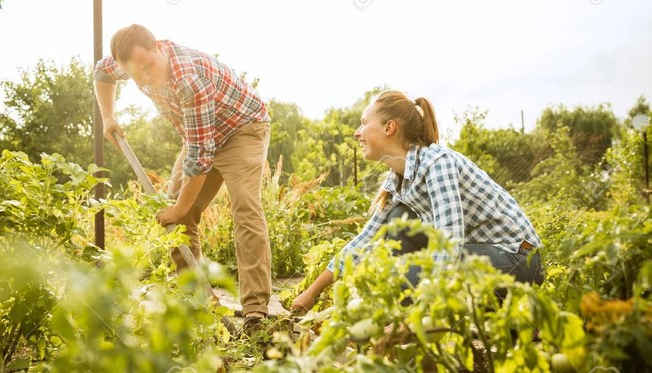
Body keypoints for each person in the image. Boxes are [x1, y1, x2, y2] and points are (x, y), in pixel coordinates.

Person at [291, 90, 544, 313]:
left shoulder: (436, 164)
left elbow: (449, 246)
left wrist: (416, 317)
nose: (357, 133)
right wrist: (312, 292)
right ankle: (452, 312)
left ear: (389, 128)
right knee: (397, 222)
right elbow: (365, 240)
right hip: (478, 256)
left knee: (402, 277)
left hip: (517, 261)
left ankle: (499, 312)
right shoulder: (396, 181)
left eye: (364, 123)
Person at [94, 24, 272, 332]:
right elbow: (102, 72)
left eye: (149, 67)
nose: (146, 78)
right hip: (198, 135)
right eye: (137, 74)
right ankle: (201, 302)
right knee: (176, 215)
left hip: (243, 127)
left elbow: (201, 158)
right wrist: (108, 116)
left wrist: (179, 206)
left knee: (244, 207)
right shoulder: (131, 62)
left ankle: (255, 312)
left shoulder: (189, 79)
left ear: (159, 48)